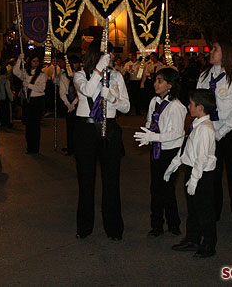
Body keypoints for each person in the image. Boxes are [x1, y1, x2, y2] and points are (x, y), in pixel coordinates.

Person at [73, 40, 130, 241]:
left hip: (110, 128)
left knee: (111, 180)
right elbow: (87, 91)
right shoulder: (80, 75)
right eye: (107, 54)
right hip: (86, 129)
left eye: (111, 54)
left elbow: (126, 107)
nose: (111, 57)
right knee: (86, 180)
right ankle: (84, 226)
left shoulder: (116, 76)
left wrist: (112, 98)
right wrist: (98, 69)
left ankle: (113, 227)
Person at [196, 41, 232, 227]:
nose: (210, 52)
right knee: (212, 173)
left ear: (226, 53)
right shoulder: (204, 76)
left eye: (215, 49)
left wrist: (221, 132)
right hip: (211, 129)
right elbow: (199, 102)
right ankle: (213, 211)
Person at [164, 89, 217, 258]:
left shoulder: (205, 129)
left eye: (191, 104)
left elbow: (201, 158)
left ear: (200, 107)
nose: (188, 106)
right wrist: (174, 164)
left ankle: (209, 244)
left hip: (201, 175)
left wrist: (195, 179)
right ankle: (193, 239)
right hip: (192, 171)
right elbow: (187, 149)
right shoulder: (196, 124)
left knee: (204, 212)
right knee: (193, 210)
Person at [134, 68, 186, 237]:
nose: (156, 84)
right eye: (156, 80)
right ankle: (156, 224)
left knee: (168, 189)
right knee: (155, 188)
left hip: (170, 152)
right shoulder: (154, 101)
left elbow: (177, 133)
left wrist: (154, 136)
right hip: (157, 149)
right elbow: (150, 122)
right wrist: (147, 135)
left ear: (169, 85)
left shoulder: (176, 106)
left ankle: (173, 223)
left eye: (160, 81)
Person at [13, 52, 47, 154]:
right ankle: (29, 147)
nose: (35, 63)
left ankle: (35, 148)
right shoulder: (25, 73)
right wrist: (19, 59)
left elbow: (41, 89)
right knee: (28, 126)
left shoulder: (42, 75)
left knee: (35, 126)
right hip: (28, 102)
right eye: (33, 61)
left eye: (37, 61)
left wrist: (28, 85)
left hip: (37, 102)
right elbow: (15, 71)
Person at [59, 55, 80, 155]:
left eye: (78, 63)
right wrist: (68, 104)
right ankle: (70, 146)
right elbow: (62, 92)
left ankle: (77, 146)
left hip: (77, 103)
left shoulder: (79, 75)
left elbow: (80, 91)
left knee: (77, 127)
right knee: (69, 126)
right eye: (75, 63)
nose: (76, 65)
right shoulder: (64, 76)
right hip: (68, 102)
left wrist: (74, 103)